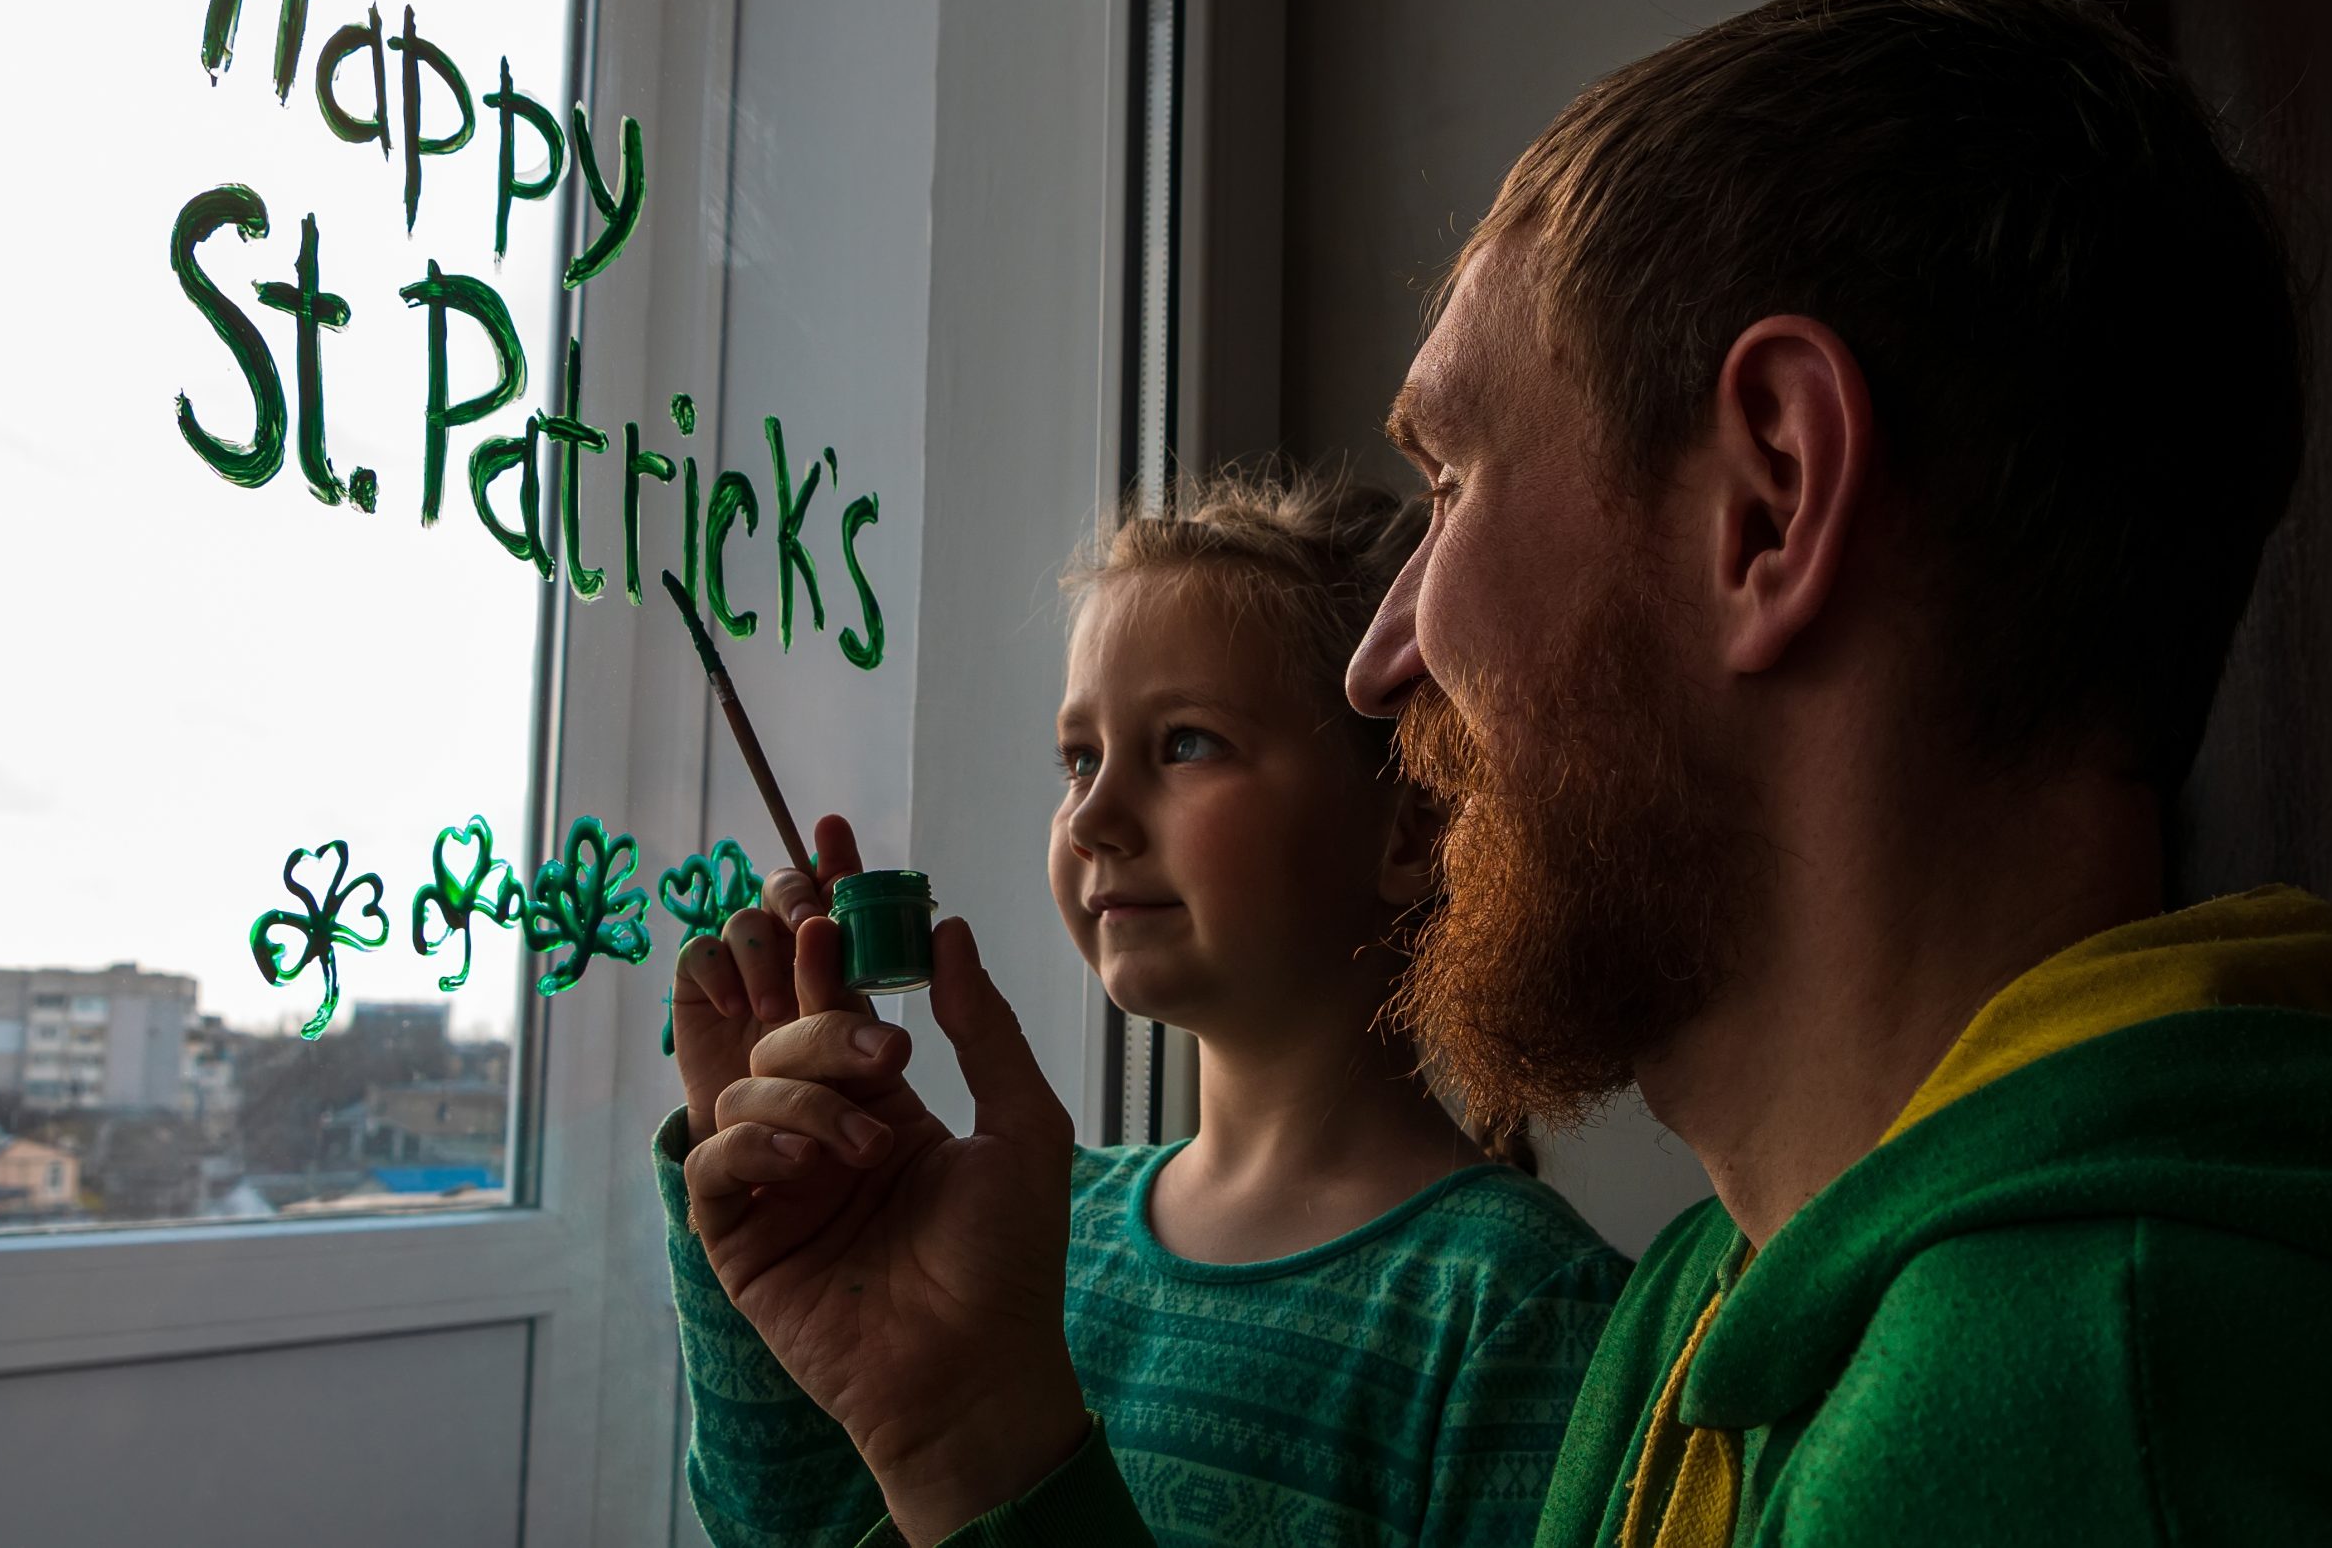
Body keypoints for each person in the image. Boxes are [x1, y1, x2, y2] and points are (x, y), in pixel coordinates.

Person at [685, 0, 2332, 1546]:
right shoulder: (1705, 1314)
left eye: (1449, 479)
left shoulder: (2097, 1424)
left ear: (1770, 499)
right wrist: (970, 1444)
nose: (1379, 659)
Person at [658, 470, 1630, 1545]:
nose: (1093, 818)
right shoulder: (1024, 1229)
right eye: (1079, 759)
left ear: (1408, 830)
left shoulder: (1527, 1317)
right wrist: (787, 1255)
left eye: (1185, 743)